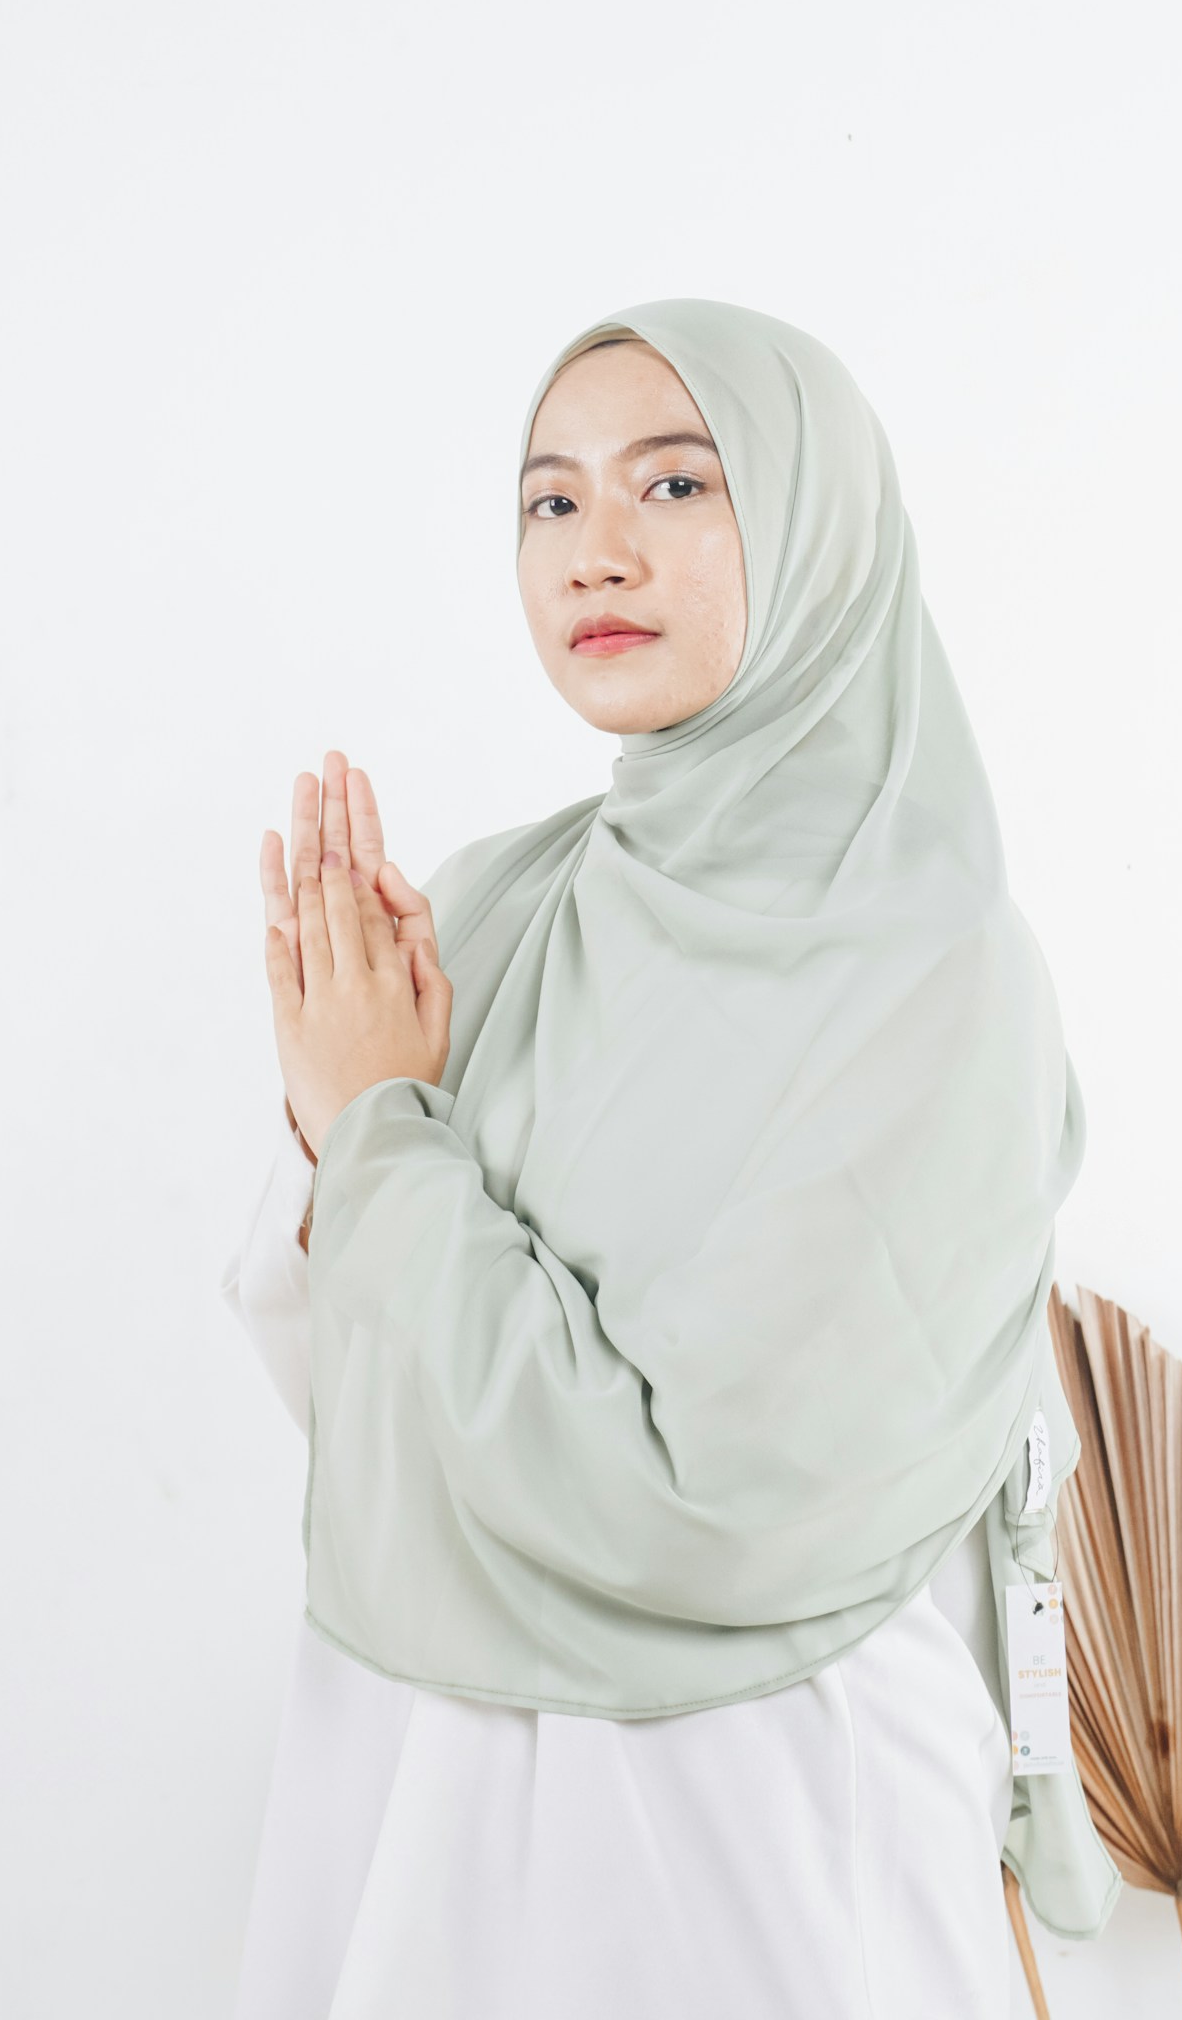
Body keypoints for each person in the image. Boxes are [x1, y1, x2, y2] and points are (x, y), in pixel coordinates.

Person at [218, 301, 1119, 2018]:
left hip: (761, 1830)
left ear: (819, 529)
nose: (594, 550)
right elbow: (370, 1405)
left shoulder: (938, 980)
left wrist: (381, 1136)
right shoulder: (498, 905)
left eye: (677, 483)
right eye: (549, 502)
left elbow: (705, 1507)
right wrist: (322, 1113)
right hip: (415, 1780)